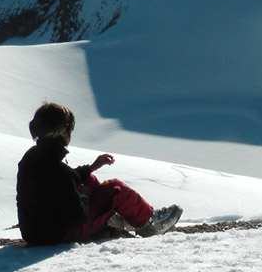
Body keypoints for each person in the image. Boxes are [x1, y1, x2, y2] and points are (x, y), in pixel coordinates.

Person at [16, 103, 182, 246]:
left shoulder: (33, 158)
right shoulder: (58, 171)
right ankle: (149, 223)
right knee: (116, 189)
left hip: (37, 233)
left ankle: (121, 217)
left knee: (90, 179)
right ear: (61, 132)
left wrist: (91, 168)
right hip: (58, 236)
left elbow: (64, 181)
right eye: (70, 128)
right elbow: (78, 217)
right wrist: (83, 193)